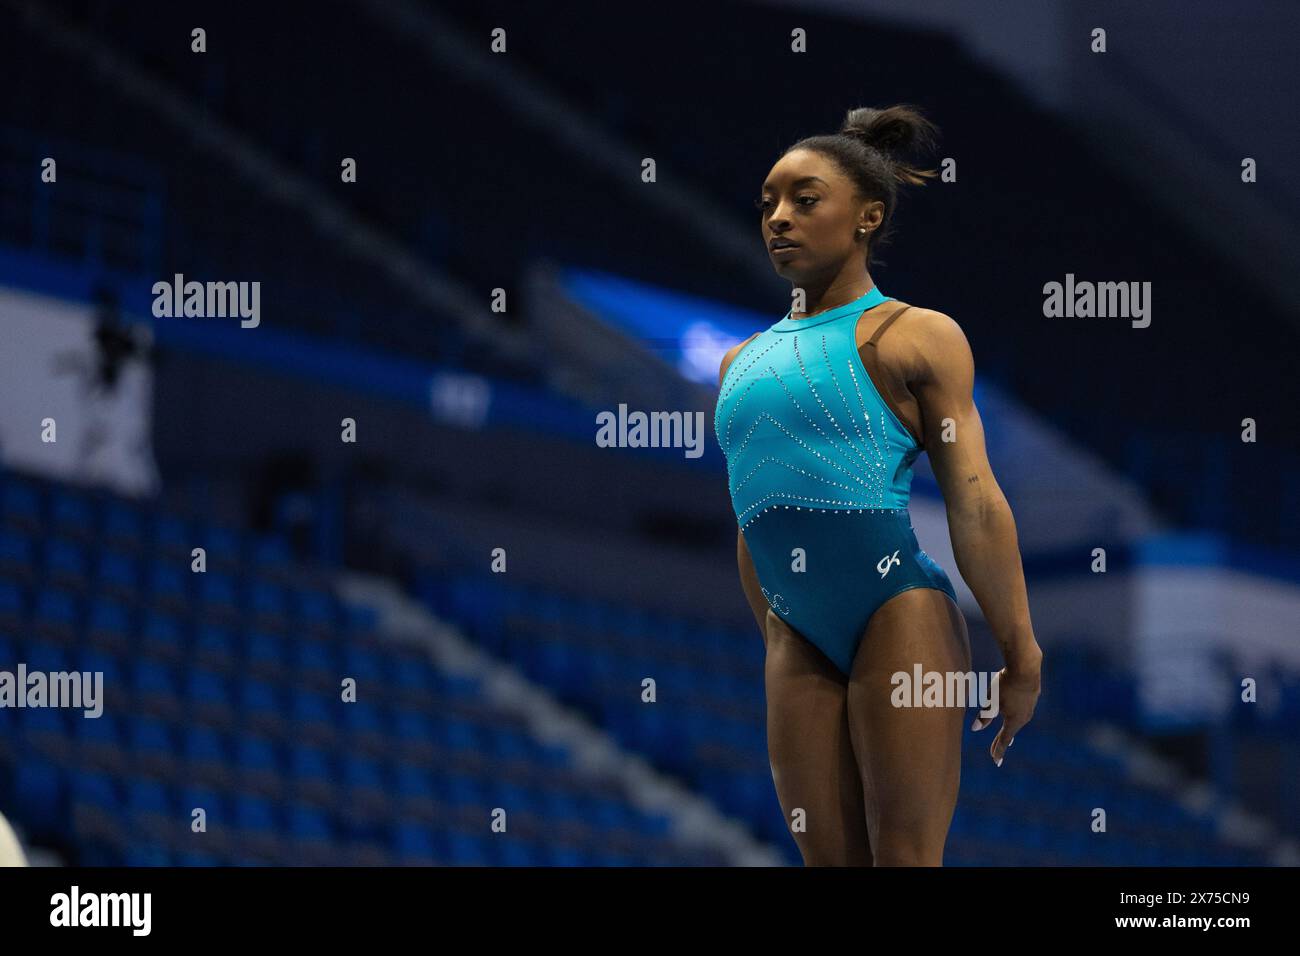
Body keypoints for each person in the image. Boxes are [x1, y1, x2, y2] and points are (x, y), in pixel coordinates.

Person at [715, 104, 1042, 865]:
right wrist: (778, 628)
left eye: (804, 199)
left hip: (897, 609)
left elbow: (976, 498)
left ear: (868, 216)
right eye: (767, 202)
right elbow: (752, 517)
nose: (778, 219)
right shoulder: (739, 363)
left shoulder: (915, 334)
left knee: (902, 857)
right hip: (796, 633)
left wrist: (1019, 650)